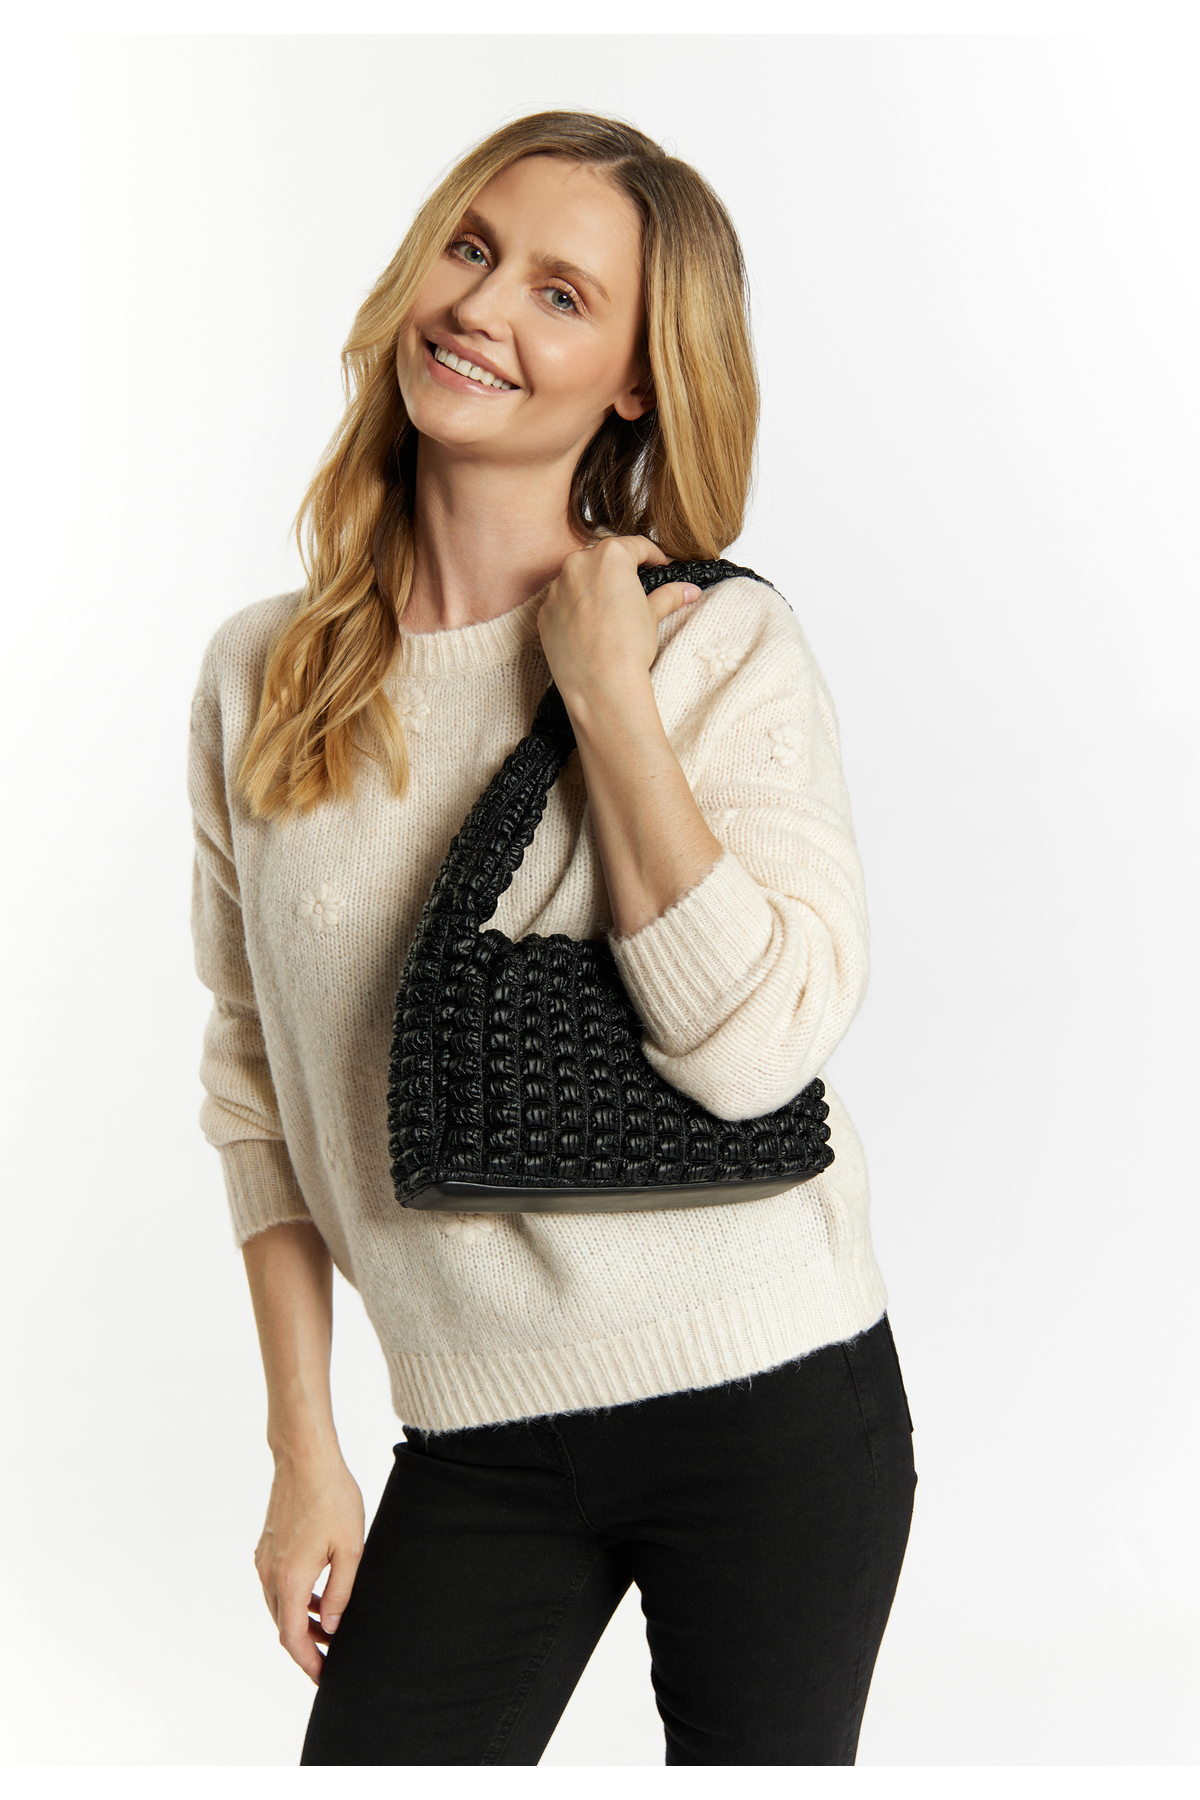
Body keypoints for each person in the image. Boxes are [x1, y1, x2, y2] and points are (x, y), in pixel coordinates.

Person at [188, 109, 916, 1768]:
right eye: (471, 249)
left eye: (561, 293)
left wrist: (608, 699)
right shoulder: (261, 677)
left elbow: (758, 1053)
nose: (483, 307)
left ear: (639, 380)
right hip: (474, 1431)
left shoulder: (712, 647)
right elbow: (252, 1083)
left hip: (771, 1397)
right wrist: (305, 1448)